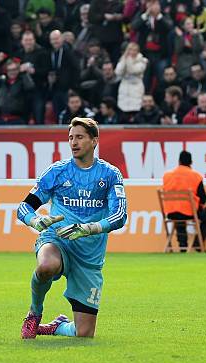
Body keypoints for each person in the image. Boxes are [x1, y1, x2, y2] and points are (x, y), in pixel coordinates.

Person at [17, 117, 127, 339]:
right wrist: (35, 221)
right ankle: (34, 313)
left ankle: (57, 326)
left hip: (89, 256)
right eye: (70, 137)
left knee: (84, 334)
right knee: (47, 265)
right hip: (57, 239)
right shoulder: (57, 171)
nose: (73, 142)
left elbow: (120, 216)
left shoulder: (110, 174)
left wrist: (89, 228)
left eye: (79, 137)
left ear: (94, 141)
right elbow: (24, 207)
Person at [162, 151, 206, 252]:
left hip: (171, 212)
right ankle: (197, 244)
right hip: (189, 212)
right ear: (191, 162)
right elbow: (202, 198)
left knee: (179, 213)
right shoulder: (196, 176)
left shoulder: (167, 176)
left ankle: (182, 245)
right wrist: (201, 207)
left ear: (179, 161)